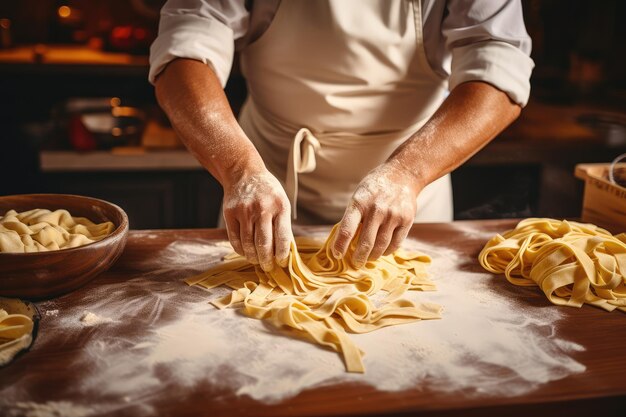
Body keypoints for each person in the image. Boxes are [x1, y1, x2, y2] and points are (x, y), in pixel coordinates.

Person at [150, 0, 534, 272]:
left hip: (410, 186)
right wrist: (239, 169)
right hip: (263, 178)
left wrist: (406, 175)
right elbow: (184, 46)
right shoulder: (247, 173)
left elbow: (499, 67)